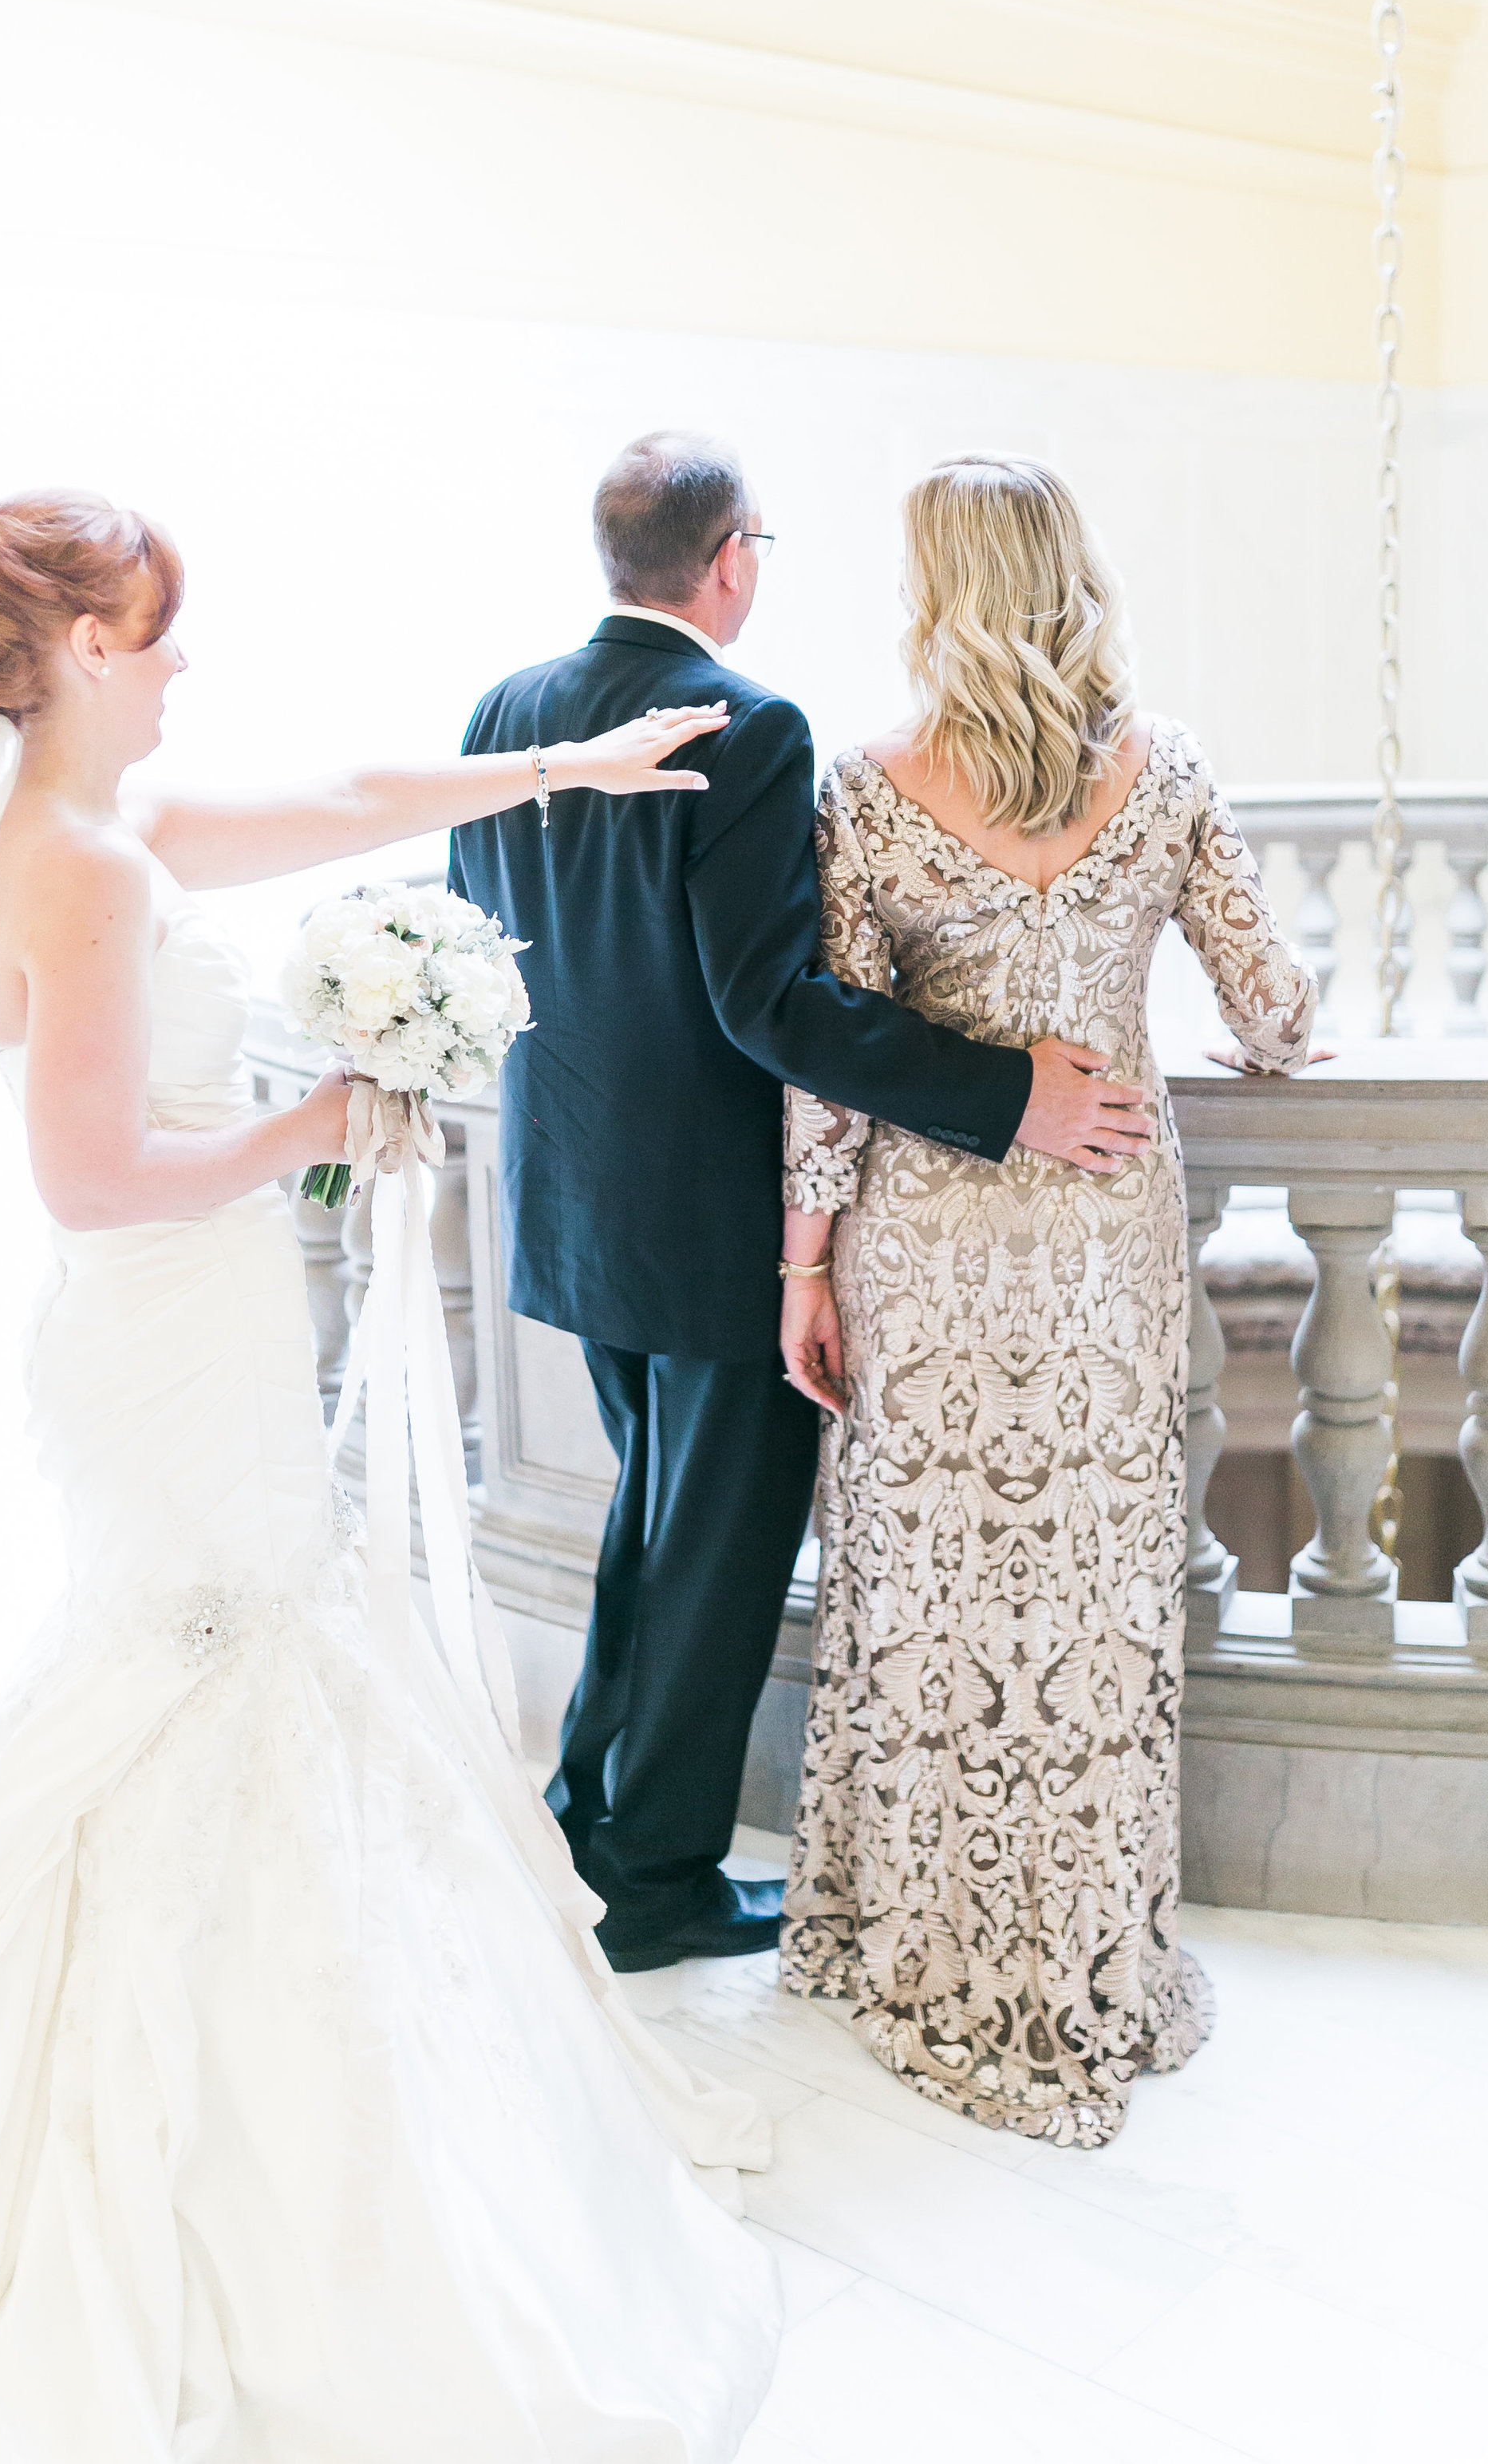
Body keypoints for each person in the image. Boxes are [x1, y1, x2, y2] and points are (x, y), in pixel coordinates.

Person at [0, 490, 782, 2462]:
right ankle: (191, 2162)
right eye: (160, 629)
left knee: (210, 1706)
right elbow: (92, 1175)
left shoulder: (99, 830)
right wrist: (318, 1112)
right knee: (201, 1693)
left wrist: (573, 761)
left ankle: (275, 2112)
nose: (187, 659)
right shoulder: (86, 870)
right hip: (159, 1362)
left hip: (187, 1349)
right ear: (86, 653)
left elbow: (349, 794)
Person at [448, 432, 1154, 1975]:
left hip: (572, 1194)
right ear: (730, 560)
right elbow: (776, 1004)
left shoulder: (510, 706)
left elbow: (476, 932)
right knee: (714, 1549)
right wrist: (1007, 1091)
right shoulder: (750, 725)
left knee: (655, 1522)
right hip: (710, 1216)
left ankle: (588, 1816)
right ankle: (657, 1881)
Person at [776, 453, 1315, 2149]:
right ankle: (1087, 1960)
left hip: (923, 1247)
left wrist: (802, 1262)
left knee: (932, 1592)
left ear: (936, 591)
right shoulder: (1165, 782)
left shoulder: (866, 789)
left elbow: (828, 1075)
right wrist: (1260, 1040)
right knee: (1087, 1605)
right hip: (1098, 1241)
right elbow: (1276, 1007)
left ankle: (922, 1949)